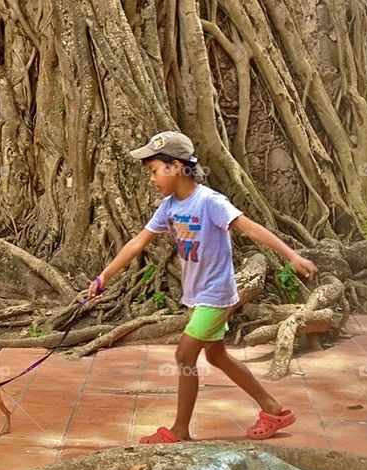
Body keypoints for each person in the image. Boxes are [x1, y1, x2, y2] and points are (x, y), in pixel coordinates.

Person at [86, 130, 318, 443]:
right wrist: (104, 276)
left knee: (184, 356)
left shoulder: (210, 202)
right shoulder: (169, 207)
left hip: (216, 294)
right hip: (197, 294)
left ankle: (179, 430)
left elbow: (250, 229)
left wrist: (292, 256)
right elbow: (138, 242)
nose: (152, 178)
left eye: (154, 170)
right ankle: (273, 407)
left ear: (176, 166)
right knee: (217, 356)